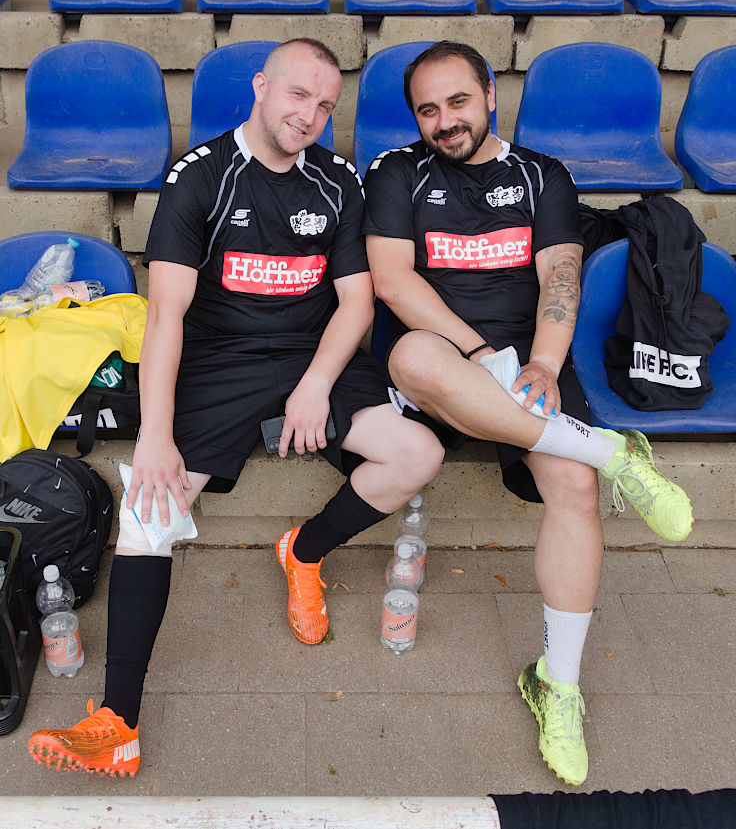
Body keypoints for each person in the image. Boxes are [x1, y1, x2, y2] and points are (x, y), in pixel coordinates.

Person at [27, 38, 444, 778]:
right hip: (218, 362)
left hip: (310, 355)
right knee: (150, 511)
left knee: (419, 454)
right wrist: (156, 435)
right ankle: (117, 721)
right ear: (260, 86)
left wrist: (315, 384)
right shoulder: (203, 176)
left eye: (324, 106)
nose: (310, 115)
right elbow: (165, 318)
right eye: (297, 96)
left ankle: (303, 550)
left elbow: (355, 302)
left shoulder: (336, 179)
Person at [362, 41, 693, 787]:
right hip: (449, 355)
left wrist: (541, 362)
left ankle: (559, 684)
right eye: (427, 109)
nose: (444, 121)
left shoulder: (541, 174)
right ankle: (614, 452)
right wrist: (480, 351)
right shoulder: (396, 171)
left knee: (572, 490)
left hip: (528, 361)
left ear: (489, 94)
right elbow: (391, 276)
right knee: (413, 356)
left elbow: (560, 274)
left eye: (457, 101)